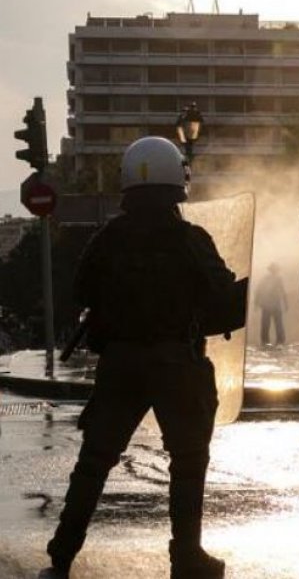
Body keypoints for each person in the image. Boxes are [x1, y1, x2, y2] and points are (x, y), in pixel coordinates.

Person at [39, 136, 243, 579]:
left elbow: (81, 289)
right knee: (188, 462)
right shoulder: (190, 238)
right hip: (176, 362)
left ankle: (61, 556)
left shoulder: (108, 237)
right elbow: (223, 295)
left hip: (121, 363)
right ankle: (186, 557)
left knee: (94, 462)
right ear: (178, 186)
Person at [255, 262, 288, 346]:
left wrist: (257, 303)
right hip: (272, 304)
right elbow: (283, 292)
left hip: (269, 304)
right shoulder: (277, 279)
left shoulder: (266, 279)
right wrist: (285, 303)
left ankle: (267, 341)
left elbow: (258, 291)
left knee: (268, 324)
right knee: (276, 323)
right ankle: (278, 341)